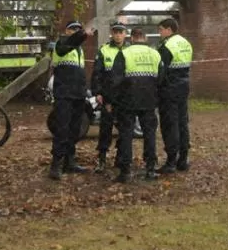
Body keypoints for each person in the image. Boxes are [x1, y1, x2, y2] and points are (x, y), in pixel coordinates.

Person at [107, 28, 163, 183]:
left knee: (126, 134)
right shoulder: (155, 54)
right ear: (145, 38)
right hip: (149, 100)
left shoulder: (124, 53)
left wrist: (113, 100)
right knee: (150, 134)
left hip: (128, 100)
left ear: (131, 38)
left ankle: (125, 171)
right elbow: (162, 79)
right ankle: (150, 169)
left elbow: (115, 80)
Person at [49, 20, 94, 180]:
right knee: (62, 129)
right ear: (67, 31)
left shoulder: (79, 50)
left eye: (78, 29)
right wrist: (82, 34)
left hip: (78, 95)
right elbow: (67, 45)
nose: (75, 31)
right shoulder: (61, 44)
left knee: (75, 130)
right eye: (72, 29)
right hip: (64, 95)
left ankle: (70, 161)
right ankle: (56, 164)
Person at [156, 18, 193, 172]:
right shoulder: (186, 43)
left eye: (161, 29)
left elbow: (161, 71)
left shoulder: (167, 46)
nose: (159, 33)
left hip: (169, 89)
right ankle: (183, 160)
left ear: (169, 29)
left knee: (170, 125)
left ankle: (171, 162)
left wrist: (156, 88)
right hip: (183, 87)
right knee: (182, 124)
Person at [90, 21, 128, 173]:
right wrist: (97, 92)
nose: (118, 35)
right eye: (115, 32)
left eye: (121, 32)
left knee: (125, 128)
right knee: (105, 128)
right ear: (111, 33)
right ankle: (102, 159)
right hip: (108, 96)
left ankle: (121, 156)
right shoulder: (104, 50)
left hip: (125, 97)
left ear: (125, 34)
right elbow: (97, 73)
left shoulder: (130, 50)